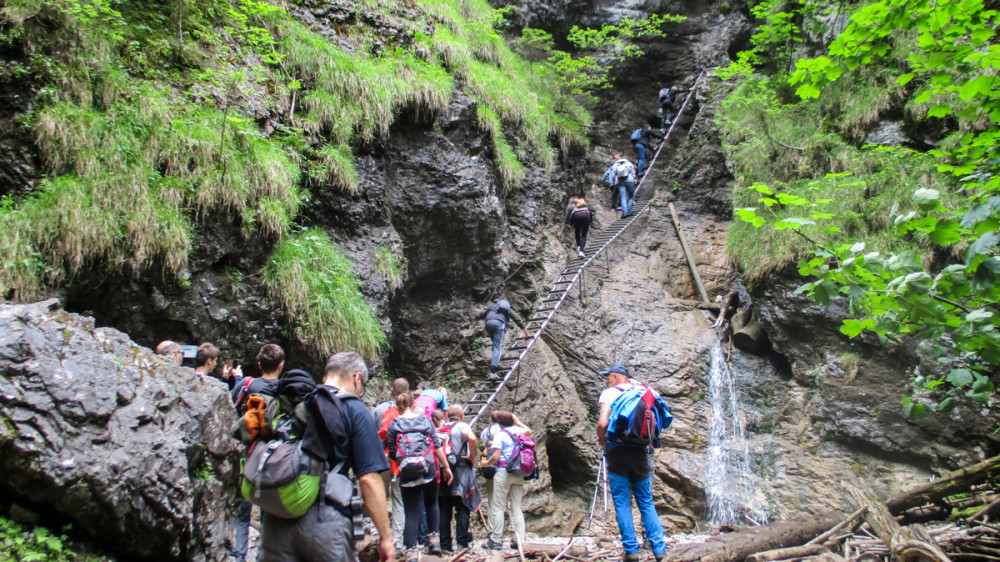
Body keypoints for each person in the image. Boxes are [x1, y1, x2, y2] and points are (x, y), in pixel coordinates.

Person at [259, 351, 394, 562]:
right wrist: (385, 537)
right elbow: (368, 479)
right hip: (325, 520)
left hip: (276, 517)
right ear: (357, 378)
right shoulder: (354, 409)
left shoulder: (296, 402)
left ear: (325, 377)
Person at [595, 364, 666, 562]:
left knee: (621, 501)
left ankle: (631, 551)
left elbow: (602, 423)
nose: (606, 380)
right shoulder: (644, 391)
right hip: (641, 452)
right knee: (645, 500)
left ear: (617, 377)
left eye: (608, 376)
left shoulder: (609, 393)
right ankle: (659, 549)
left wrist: (602, 440)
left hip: (617, 452)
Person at [230, 344, 285, 562]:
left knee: (242, 515)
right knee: (268, 516)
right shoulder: (284, 389)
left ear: (259, 364)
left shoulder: (247, 384)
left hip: (247, 453)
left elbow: (231, 405)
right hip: (273, 458)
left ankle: (238, 556)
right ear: (281, 366)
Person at [387, 392, 453, 562]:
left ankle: (410, 551)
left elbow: (393, 454)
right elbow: (436, 445)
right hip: (428, 468)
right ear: (413, 405)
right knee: (431, 502)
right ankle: (435, 543)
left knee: (410, 511)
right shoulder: (425, 420)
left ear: (397, 406)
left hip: (407, 471)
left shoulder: (394, 425)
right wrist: (446, 467)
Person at [481, 410, 532, 552]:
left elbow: (496, 457)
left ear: (499, 423)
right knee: (516, 507)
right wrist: (517, 421)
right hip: (518, 472)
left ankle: (496, 539)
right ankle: (520, 540)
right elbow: (529, 431)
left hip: (503, 473)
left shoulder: (500, 435)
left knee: (498, 507)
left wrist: (486, 463)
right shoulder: (518, 431)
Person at [373, 377, 411, 548]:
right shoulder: (413, 412)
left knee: (378, 498)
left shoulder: (379, 410)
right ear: (407, 392)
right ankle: (397, 540)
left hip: (380, 459)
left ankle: (378, 537)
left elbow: (372, 434)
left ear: (391, 390)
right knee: (399, 501)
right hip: (401, 462)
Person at [437, 406, 479, 553]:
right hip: (461, 468)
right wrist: (472, 457)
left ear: (447, 415)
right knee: (462, 506)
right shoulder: (462, 426)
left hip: (444, 469)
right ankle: (461, 544)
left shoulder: (441, 428)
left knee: (444, 508)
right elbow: (472, 438)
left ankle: (444, 545)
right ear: (461, 415)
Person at [476, 300, 531, 379]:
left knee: (495, 345)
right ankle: (493, 372)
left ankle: (496, 363)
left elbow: (480, 314)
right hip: (499, 324)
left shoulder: (491, 306)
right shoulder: (507, 308)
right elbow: (517, 320)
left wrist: (474, 316)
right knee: (497, 347)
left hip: (488, 324)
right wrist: (526, 334)